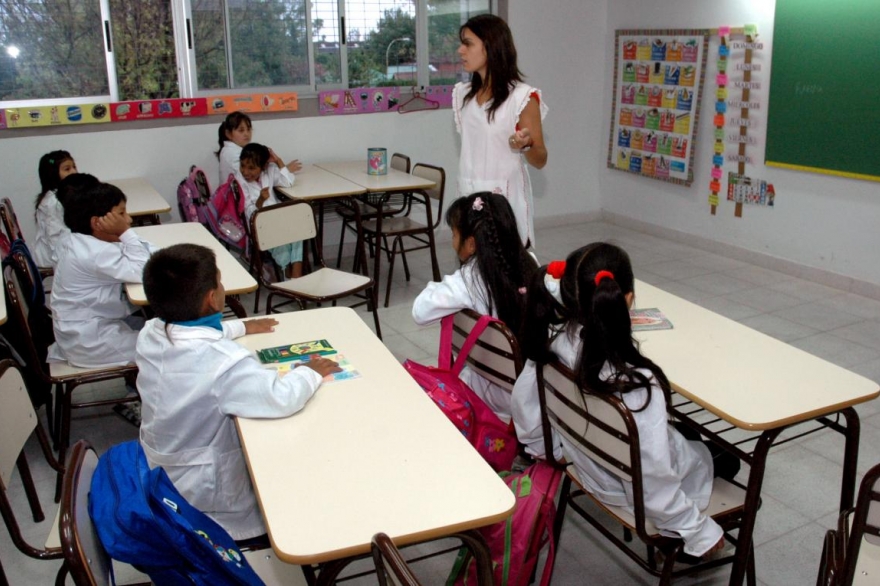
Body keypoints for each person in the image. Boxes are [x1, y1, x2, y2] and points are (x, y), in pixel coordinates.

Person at [511, 242, 738, 559]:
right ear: (626, 300)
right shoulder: (637, 387)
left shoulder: (552, 349)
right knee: (727, 457)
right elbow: (653, 481)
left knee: (687, 437)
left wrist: (548, 450)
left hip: (588, 467)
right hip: (630, 491)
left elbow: (525, 413)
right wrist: (698, 531)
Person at [136, 243, 339, 540]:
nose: (222, 286)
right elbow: (280, 398)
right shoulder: (224, 362)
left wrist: (241, 328)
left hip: (164, 464)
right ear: (211, 298)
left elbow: (192, 333)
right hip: (204, 495)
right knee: (289, 490)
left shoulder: (150, 332)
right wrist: (311, 372)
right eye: (219, 281)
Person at [412, 192, 537, 422]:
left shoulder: (468, 280)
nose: (452, 241)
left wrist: (441, 283)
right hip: (536, 390)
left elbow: (420, 311)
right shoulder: (532, 264)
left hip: (494, 391)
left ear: (471, 244)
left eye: (454, 234)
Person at [453, 14, 548, 248]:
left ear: (491, 46)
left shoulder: (522, 97)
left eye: (468, 43)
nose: (460, 50)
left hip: (506, 201)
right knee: (473, 270)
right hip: (469, 195)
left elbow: (540, 159)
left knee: (507, 271)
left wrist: (525, 146)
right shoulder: (462, 95)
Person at [47, 182, 156, 368]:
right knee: (162, 347)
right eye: (121, 214)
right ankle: (139, 387)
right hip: (90, 341)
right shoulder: (94, 252)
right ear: (97, 222)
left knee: (157, 328)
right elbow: (144, 270)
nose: (128, 220)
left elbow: (150, 253)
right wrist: (125, 233)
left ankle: (136, 383)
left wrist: (126, 236)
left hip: (86, 329)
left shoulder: (81, 240)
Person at [238, 142, 303, 278]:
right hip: (260, 225)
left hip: (277, 219)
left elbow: (289, 181)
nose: (245, 172)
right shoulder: (240, 181)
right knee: (283, 247)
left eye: (251, 168)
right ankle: (290, 280)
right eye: (243, 166)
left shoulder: (269, 171)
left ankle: (296, 275)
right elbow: (249, 213)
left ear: (263, 167)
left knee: (300, 229)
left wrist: (278, 161)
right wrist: (260, 200)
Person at [215, 110, 301, 185]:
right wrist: (285, 169)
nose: (246, 134)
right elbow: (257, 175)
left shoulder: (230, 150)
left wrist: (280, 168)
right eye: (241, 130)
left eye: (249, 129)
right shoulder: (234, 155)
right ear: (228, 134)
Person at [32, 150, 78, 267]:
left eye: (74, 167)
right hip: (51, 256)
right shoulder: (53, 202)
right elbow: (55, 240)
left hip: (64, 248)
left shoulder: (65, 194)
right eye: (67, 169)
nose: (74, 171)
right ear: (53, 174)